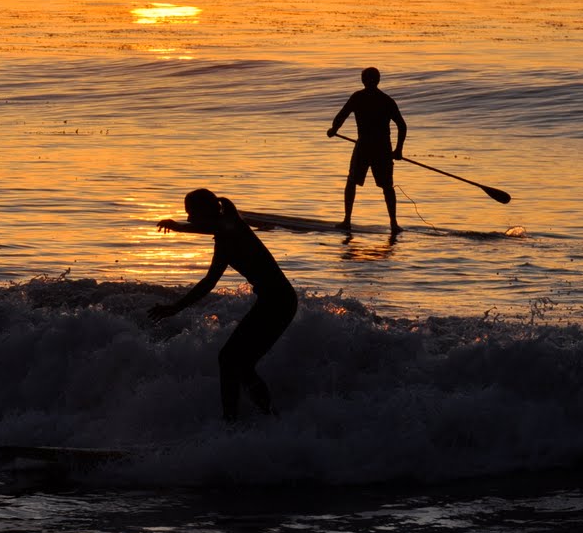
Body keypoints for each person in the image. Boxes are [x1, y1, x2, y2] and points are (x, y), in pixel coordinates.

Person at [149, 189, 298, 421]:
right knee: (238, 363)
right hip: (274, 302)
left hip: (279, 302)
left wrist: (178, 227)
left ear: (206, 211)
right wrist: (175, 308)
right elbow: (208, 282)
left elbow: (214, 227)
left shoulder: (231, 226)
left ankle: (234, 421)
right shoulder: (225, 238)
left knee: (230, 360)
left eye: (191, 213)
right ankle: (263, 418)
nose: (188, 219)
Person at [327, 66, 408, 233]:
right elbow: (402, 126)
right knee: (386, 186)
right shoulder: (385, 100)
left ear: (363, 80)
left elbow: (341, 115)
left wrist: (334, 130)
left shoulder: (359, 97)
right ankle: (393, 224)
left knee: (353, 182)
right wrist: (398, 149)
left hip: (366, 147)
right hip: (381, 148)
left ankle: (348, 221)